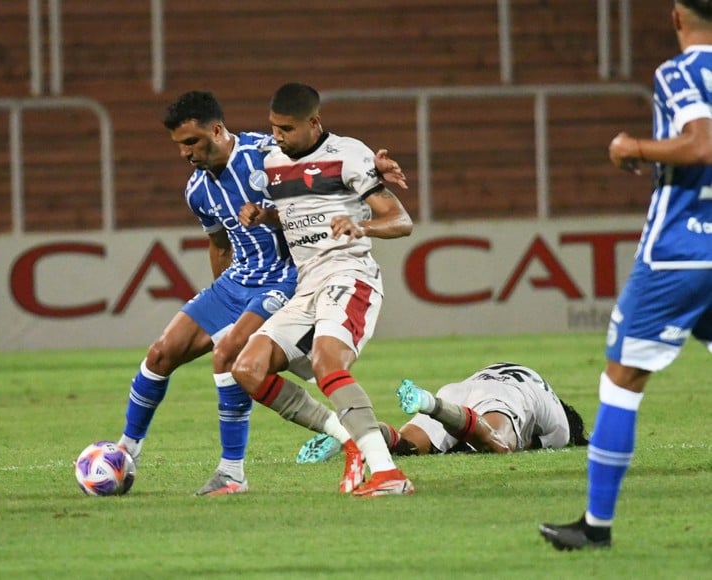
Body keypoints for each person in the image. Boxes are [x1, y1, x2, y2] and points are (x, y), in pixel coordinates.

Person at [117, 90, 407, 496]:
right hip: (238, 280)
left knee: (229, 355)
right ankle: (125, 452)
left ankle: (232, 471)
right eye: (179, 146)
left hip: (287, 277)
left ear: (216, 130)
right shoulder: (197, 190)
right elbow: (220, 245)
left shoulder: (264, 152)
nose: (185, 153)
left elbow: (319, 151)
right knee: (161, 353)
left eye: (191, 142)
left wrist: (370, 170)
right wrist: (222, 300)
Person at [539, 0, 712, 550]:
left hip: (680, 253)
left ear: (676, 17)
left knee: (622, 381)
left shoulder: (681, 71)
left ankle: (596, 526)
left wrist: (634, 146)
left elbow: (702, 143)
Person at [232, 82, 415, 497]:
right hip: (307, 284)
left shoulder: (349, 155)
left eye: (287, 128)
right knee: (247, 369)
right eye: (273, 127)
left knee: (328, 363)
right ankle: (349, 437)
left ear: (315, 122)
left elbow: (401, 221)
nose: (277, 136)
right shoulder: (274, 158)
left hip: (349, 273)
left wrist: (360, 225)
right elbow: (297, 210)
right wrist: (265, 217)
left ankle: (388, 473)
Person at [296, 362, 588, 463]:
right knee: (499, 443)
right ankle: (431, 405)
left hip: (457, 391)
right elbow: (522, 445)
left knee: (405, 446)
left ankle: (349, 433)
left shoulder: (539, 388)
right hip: (504, 397)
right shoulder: (561, 428)